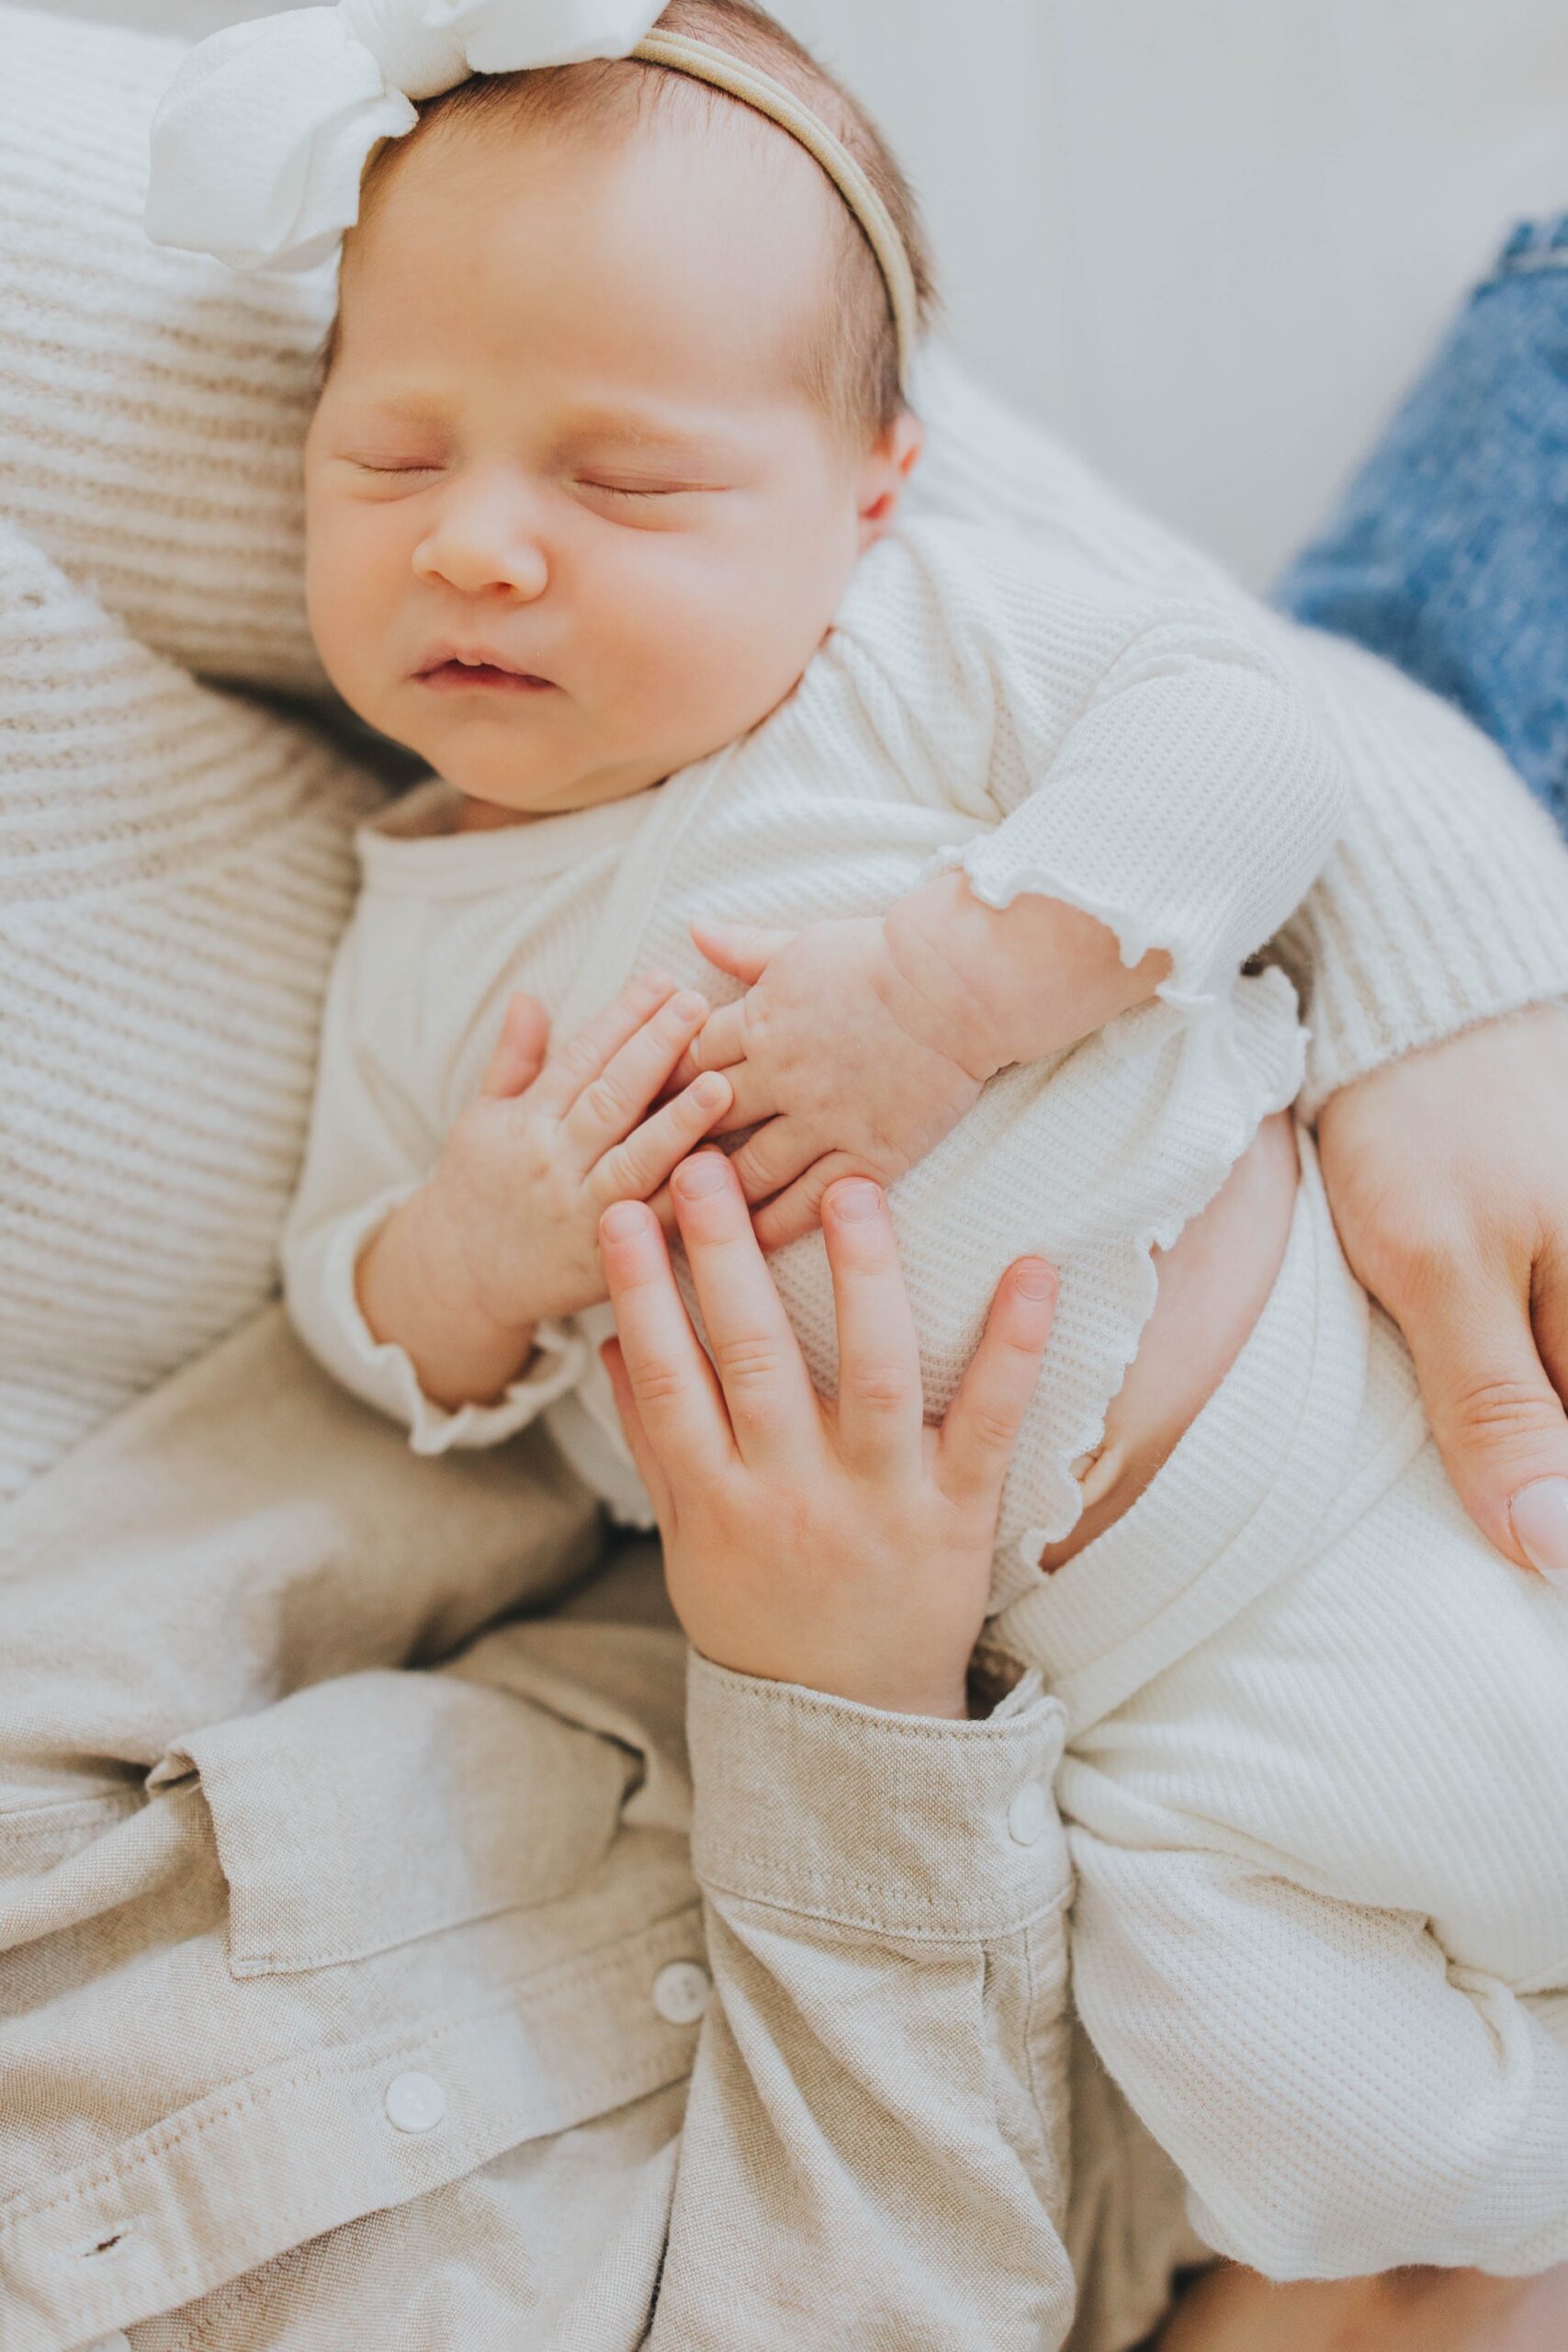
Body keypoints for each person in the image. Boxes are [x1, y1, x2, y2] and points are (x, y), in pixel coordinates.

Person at [145, 0, 1568, 2300]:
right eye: (389, 459)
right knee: (1281, 2120)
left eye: (622, 485)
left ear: (872, 493)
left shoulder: (904, 655)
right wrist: (474, 1250)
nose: (477, 547)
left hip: (1408, 1432)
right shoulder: (415, 963)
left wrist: (949, 987)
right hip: (1150, 1717)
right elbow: (353, 1302)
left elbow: (1248, 734)